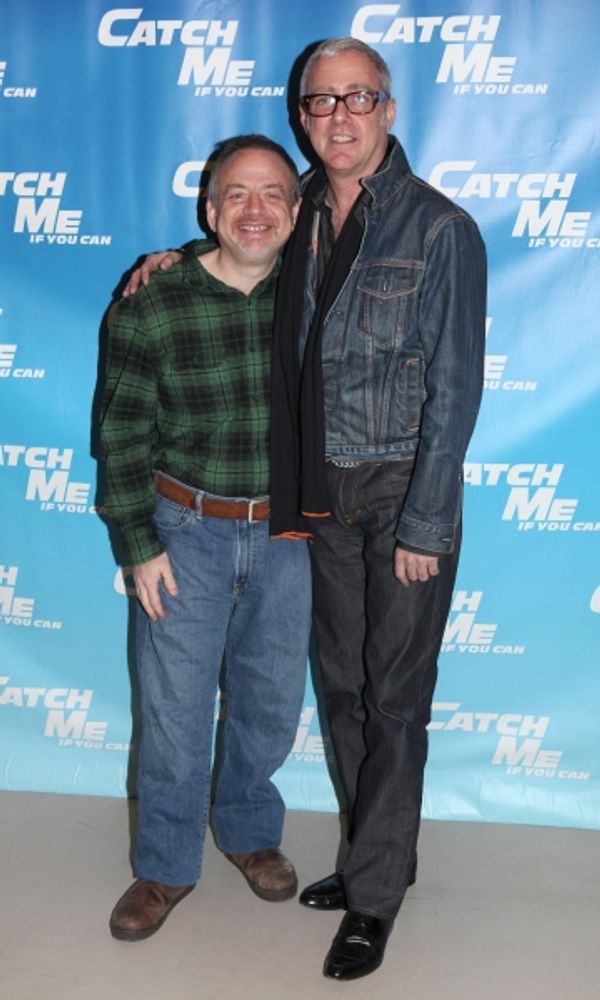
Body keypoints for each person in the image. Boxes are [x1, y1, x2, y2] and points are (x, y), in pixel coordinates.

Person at [127, 37, 487, 981]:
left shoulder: (440, 230)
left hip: (401, 493)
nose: (338, 116)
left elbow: (455, 392)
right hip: (317, 500)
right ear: (302, 118)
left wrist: (426, 522)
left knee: (396, 701)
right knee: (342, 692)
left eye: (356, 99)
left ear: (388, 110)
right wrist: (170, 259)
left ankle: (374, 898)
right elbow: (237, 248)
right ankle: (380, 857)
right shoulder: (301, 219)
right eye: (320, 102)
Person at [99, 135, 311, 943]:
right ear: (209, 207)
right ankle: (164, 865)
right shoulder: (154, 301)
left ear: (296, 211)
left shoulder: (316, 293)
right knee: (176, 712)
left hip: (290, 536)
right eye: (236, 194)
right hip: (184, 533)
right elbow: (119, 434)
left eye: (272, 195)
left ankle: (251, 832)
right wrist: (136, 543)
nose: (254, 210)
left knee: (268, 705)